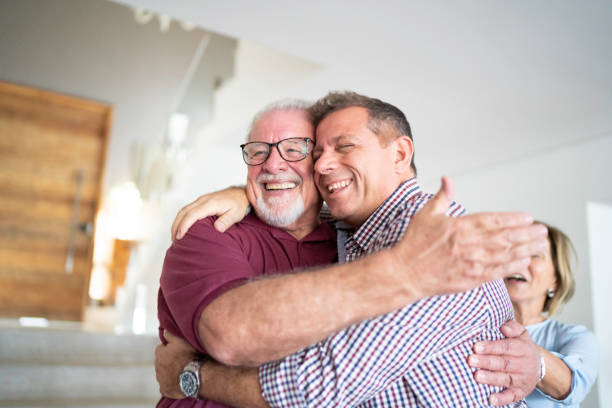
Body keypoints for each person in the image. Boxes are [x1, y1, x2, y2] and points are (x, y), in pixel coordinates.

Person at [156, 95, 547, 407]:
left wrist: (194, 377)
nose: (324, 164)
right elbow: (230, 329)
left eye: (297, 149)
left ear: (399, 154)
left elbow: (322, 386)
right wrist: (245, 193)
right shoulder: (349, 233)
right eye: (258, 152)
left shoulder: (438, 240)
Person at [500, 222, 598, 406]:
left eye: (535, 255)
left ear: (556, 281)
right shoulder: (474, 326)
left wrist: (536, 362)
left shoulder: (576, 337)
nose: (519, 262)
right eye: (514, 254)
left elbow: (571, 387)